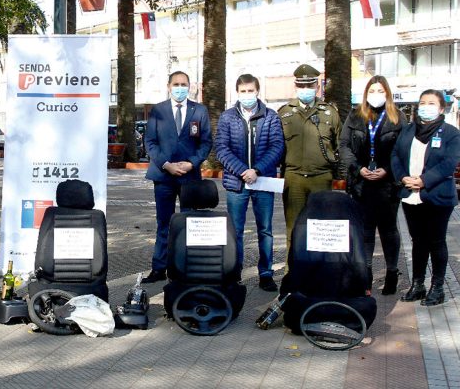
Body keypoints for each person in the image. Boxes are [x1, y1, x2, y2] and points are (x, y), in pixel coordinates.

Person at [215, 74, 285, 291]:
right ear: (237, 93)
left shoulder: (270, 116)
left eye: (251, 91)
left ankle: (265, 273)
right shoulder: (227, 118)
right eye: (243, 91)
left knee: (265, 230)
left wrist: (256, 170)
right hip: (237, 184)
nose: (247, 95)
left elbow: (277, 147)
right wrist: (243, 171)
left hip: (262, 182)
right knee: (236, 231)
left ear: (257, 91)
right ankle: (235, 272)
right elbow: (222, 149)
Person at [142, 71, 212, 283]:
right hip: (164, 176)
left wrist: (191, 163)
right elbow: (150, 142)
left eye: (184, 84)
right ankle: (159, 268)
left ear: (190, 86)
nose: (180, 88)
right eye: (176, 84)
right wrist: (167, 165)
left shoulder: (199, 110)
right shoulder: (158, 110)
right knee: (164, 223)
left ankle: (187, 268)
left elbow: (206, 142)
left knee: (189, 223)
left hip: (190, 177)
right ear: (168, 86)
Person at [392, 89, 460, 306]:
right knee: (418, 241)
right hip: (410, 194)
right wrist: (403, 178)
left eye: (431, 103)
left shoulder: (451, 133)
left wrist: (423, 180)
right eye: (422, 102)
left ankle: (437, 288)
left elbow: (449, 162)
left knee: (436, 241)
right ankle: (418, 285)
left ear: (441, 108)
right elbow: (395, 156)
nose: (425, 106)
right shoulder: (408, 130)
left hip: (437, 196)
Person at [339, 75, 405, 295]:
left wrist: (387, 168)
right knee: (365, 231)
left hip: (388, 185)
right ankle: (365, 274)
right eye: (372, 91)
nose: (376, 95)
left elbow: (403, 150)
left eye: (380, 91)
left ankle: (392, 273)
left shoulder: (398, 117)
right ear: (366, 93)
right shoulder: (355, 115)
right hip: (361, 184)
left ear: (387, 93)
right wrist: (358, 168)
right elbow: (344, 146)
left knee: (388, 231)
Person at [278, 64, 342, 250]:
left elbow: (339, 145)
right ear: (296, 87)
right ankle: (292, 276)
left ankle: (319, 276)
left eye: (310, 85)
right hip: (294, 178)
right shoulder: (284, 113)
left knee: (321, 229)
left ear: (317, 87)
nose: (306, 90)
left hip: (321, 178)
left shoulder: (330, 113)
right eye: (301, 86)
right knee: (294, 229)